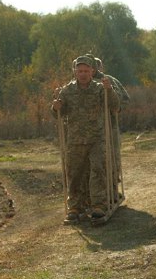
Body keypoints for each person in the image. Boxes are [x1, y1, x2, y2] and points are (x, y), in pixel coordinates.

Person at [51, 55, 120, 223]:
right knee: (74, 174)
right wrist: (55, 107)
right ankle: (75, 207)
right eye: (80, 71)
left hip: (97, 138)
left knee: (98, 170)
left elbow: (115, 106)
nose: (82, 74)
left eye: (86, 71)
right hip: (75, 140)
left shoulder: (100, 89)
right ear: (75, 72)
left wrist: (109, 90)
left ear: (92, 71)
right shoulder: (66, 91)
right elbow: (58, 114)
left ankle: (99, 206)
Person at [94, 56, 129, 203]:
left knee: (111, 160)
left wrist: (115, 107)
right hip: (87, 131)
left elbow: (124, 100)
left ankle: (113, 192)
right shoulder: (76, 84)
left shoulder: (109, 81)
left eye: (96, 65)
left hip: (109, 126)